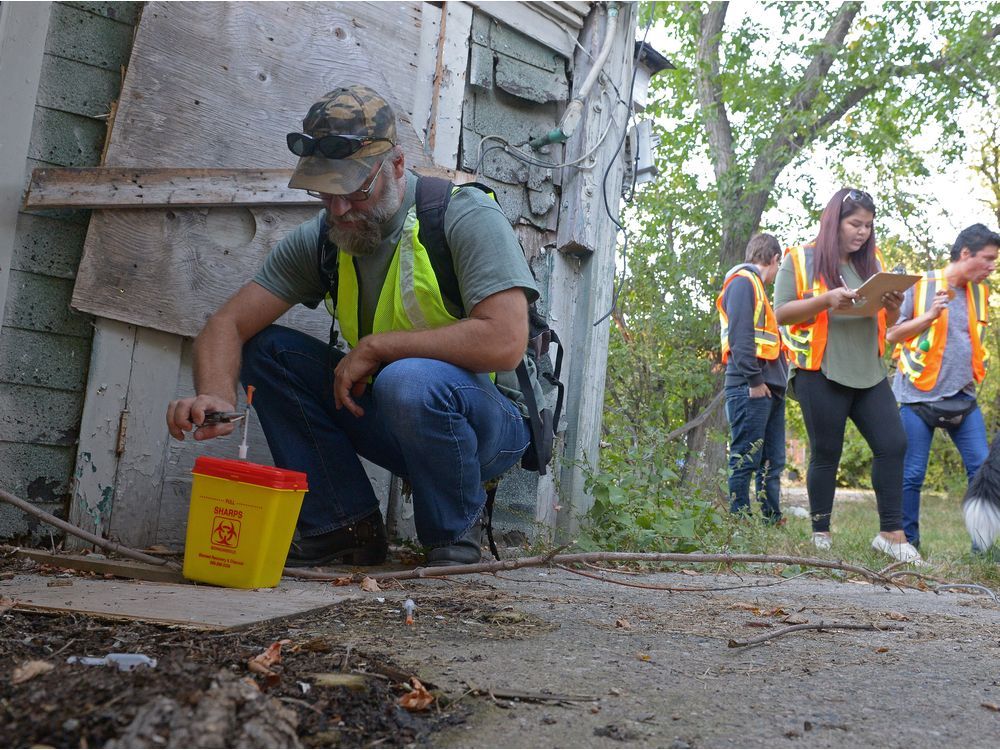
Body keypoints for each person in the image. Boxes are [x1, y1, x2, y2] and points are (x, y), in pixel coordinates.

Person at [166, 85, 543, 568]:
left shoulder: (463, 215)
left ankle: (454, 540)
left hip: (489, 425)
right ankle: (343, 527)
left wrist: (380, 347)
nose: (339, 209)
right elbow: (227, 324)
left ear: (398, 166)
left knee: (409, 378)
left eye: (355, 191)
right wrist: (216, 394)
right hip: (398, 416)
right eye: (326, 192)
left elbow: (506, 341)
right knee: (269, 350)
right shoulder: (324, 238)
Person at [773, 188, 921, 563]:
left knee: (893, 444)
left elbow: (884, 321)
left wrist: (894, 306)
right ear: (833, 221)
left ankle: (891, 534)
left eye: (869, 226)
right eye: (856, 223)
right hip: (820, 369)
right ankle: (820, 532)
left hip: (868, 370)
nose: (863, 232)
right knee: (826, 452)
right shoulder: (799, 258)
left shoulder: (874, 263)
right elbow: (781, 314)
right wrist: (825, 300)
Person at [887, 223, 1000, 551]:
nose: (993, 267)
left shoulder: (981, 292)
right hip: (916, 396)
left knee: (983, 471)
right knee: (912, 475)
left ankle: (983, 551)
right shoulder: (920, 286)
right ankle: (908, 546)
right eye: (988, 259)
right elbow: (891, 334)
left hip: (963, 397)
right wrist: (930, 315)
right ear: (965, 254)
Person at [716, 233, 788, 524]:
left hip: (769, 388)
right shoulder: (743, 283)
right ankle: (740, 524)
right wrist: (755, 381)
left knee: (772, 461)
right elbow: (740, 337)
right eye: (779, 265)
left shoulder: (757, 288)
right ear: (773, 259)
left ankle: (771, 520)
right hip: (751, 387)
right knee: (746, 457)